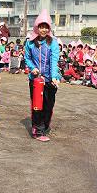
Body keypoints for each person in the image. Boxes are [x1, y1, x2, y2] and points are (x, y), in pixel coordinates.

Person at [24, 9, 61, 142]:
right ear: (37, 27)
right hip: (35, 80)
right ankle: (37, 130)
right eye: (41, 26)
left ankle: (44, 127)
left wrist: (54, 77)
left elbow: (54, 61)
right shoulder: (29, 42)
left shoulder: (53, 43)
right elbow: (27, 58)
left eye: (46, 27)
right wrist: (32, 68)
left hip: (50, 79)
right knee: (37, 105)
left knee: (49, 105)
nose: (44, 30)